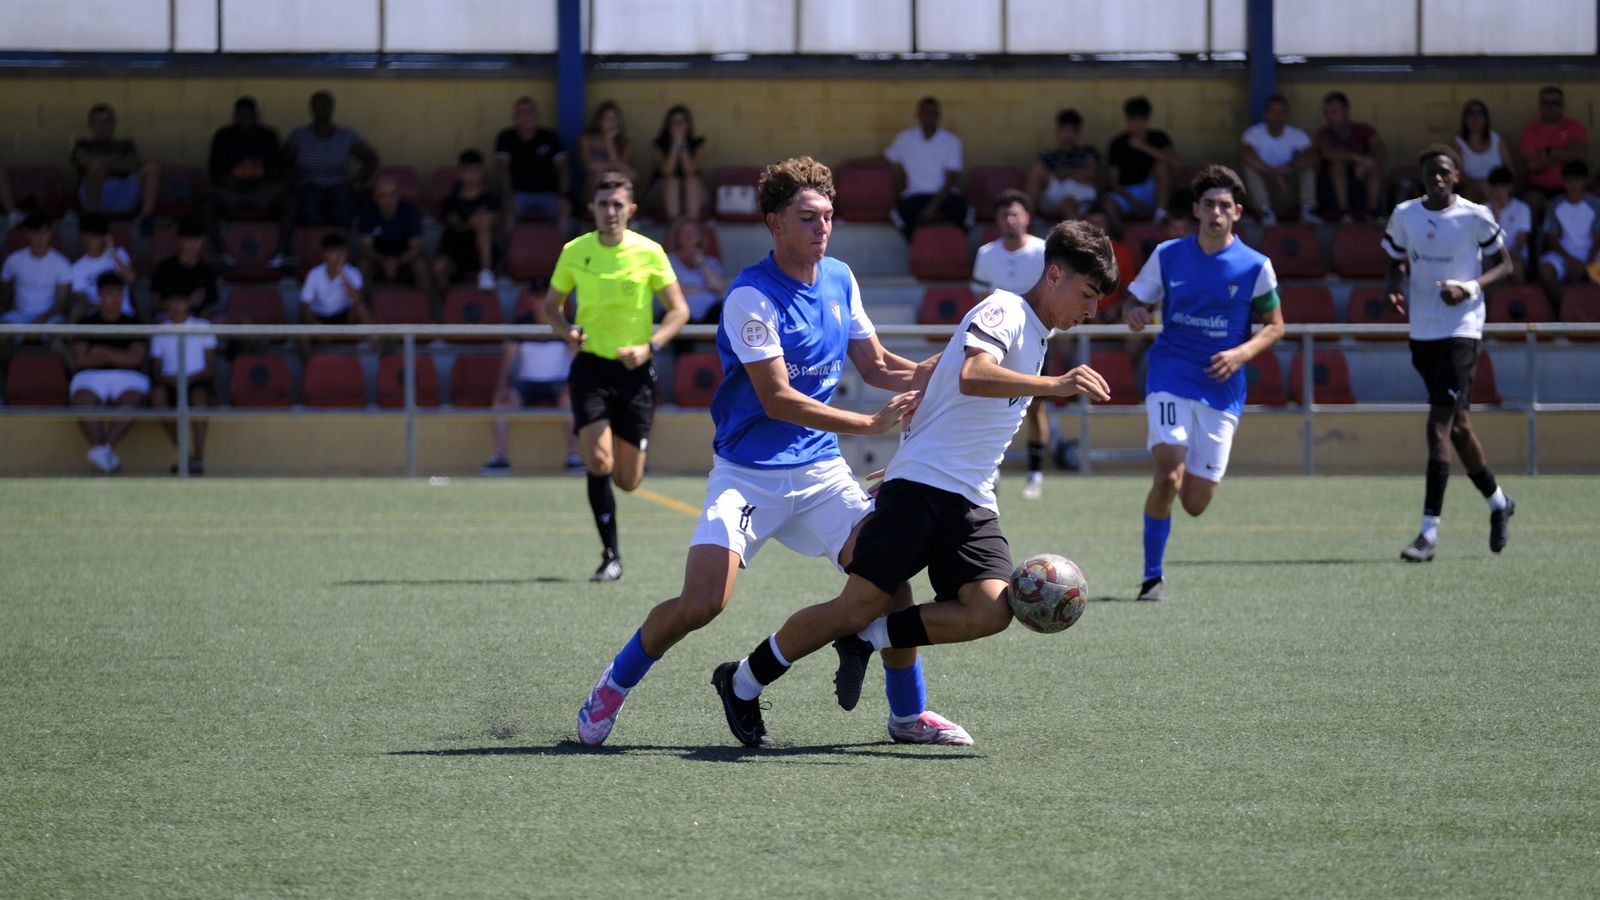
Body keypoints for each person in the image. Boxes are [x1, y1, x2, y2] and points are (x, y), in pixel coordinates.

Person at [578, 156, 965, 748]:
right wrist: (868, 422)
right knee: (702, 603)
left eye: (828, 216)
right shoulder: (749, 296)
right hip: (747, 476)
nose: (822, 227)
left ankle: (908, 715)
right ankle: (614, 684)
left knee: (889, 582)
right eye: (807, 217)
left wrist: (945, 369)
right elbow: (778, 399)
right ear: (774, 223)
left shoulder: (840, 278)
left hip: (821, 473)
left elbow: (879, 365)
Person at [709, 220, 1117, 748]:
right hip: (923, 489)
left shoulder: (1038, 333)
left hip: (970, 498)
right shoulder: (1005, 310)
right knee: (853, 606)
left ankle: (869, 639)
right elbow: (972, 374)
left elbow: (947, 391)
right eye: (1087, 294)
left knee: (992, 609)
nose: (1091, 311)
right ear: (1055, 275)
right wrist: (1055, 385)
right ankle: (742, 680)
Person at [1122, 165, 1286, 602]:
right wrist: (1134, 311)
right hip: (1170, 371)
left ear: (1238, 212)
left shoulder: (1255, 266)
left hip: (1221, 386)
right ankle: (1152, 577)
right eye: (1209, 204)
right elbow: (1134, 301)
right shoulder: (1168, 255)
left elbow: (1275, 325)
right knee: (1167, 477)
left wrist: (1241, 354)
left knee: (1195, 503)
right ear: (1195, 210)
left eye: (1225, 206)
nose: (1216, 212)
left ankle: (1182, 504)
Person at [542, 171, 689, 581]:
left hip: (635, 373)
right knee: (598, 459)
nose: (610, 211)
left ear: (631, 209)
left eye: (618, 204)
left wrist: (650, 345)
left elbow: (679, 311)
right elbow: (551, 306)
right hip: (591, 368)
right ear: (592, 208)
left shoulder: (650, 252)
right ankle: (610, 556)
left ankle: (623, 485)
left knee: (628, 480)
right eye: (604, 204)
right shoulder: (575, 251)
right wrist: (567, 332)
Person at [1382, 144, 1516, 562]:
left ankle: (1428, 534)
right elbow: (1395, 260)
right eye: (1430, 172)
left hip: (1463, 329)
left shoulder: (1475, 215)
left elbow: (1506, 264)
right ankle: (1499, 502)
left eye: (1445, 171)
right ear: (1422, 177)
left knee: (1437, 426)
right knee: (1458, 427)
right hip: (1423, 330)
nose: (1437, 178)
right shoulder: (1405, 215)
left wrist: (1469, 288)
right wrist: (1394, 287)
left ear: (1457, 175)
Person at [972, 190, 1049, 500]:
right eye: (1004, 215)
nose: (1010, 220)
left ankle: (1035, 474)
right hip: (998, 343)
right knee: (989, 404)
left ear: (1027, 217)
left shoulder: (1043, 251)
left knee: (1035, 407)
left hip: (1037, 342)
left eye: (1015, 214)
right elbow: (981, 298)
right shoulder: (986, 253)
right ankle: (991, 469)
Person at [278, 91, 379, 266]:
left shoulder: (346, 135)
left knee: (343, 210)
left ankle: (342, 256)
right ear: (311, 109)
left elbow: (371, 159)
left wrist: (357, 181)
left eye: (325, 105)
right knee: (310, 214)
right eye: (317, 105)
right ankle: (304, 255)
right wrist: (293, 180)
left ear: (332, 108)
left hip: (338, 185)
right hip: (309, 185)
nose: (321, 109)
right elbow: (282, 161)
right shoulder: (299, 135)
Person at [479, 313, 581, 477]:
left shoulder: (568, 324)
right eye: (539, 299)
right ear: (532, 300)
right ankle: (499, 458)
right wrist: (502, 385)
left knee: (570, 401)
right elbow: (508, 359)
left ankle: (574, 457)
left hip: (560, 384)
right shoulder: (521, 324)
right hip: (526, 384)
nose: (543, 303)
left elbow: (577, 358)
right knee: (501, 404)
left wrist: (572, 384)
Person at [70, 272, 148, 474]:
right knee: (83, 401)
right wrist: (120, 355)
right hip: (90, 375)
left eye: (118, 293)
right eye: (109, 293)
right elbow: (81, 360)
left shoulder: (134, 323)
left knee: (131, 401)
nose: (115, 298)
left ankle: (103, 451)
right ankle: (105, 455)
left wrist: (102, 352)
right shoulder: (86, 322)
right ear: (99, 295)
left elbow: (135, 359)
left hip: (129, 377)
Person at [148, 290, 218, 475]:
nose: (176, 306)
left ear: (189, 303)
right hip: (169, 381)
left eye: (180, 301)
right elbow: (156, 368)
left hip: (197, 379)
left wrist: (190, 378)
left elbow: (211, 366)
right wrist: (169, 379)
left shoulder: (203, 326)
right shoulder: (160, 329)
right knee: (157, 397)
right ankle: (185, 456)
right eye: (172, 302)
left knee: (199, 399)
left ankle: (199, 459)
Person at [206, 96, 285, 257]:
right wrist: (233, 178)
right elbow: (214, 170)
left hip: (261, 192)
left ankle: (282, 252)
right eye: (241, 116)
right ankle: (220, 253)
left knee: (291, 200)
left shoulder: (268, 135)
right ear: (234, 116)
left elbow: (278, 170)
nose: (245, 120)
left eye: (249, 115)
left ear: (257, 115)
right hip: (231, 192)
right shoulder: (223, 135)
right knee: (206, 203)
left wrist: (258, 176)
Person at [884, 96, 968, 240]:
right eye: (925, 112)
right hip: (915, 195)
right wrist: (853, 162)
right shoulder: (905, 138)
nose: (929, 116)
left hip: (945, 196)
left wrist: (932, 207)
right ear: (918, 115)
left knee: (964, 213)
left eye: (933, 113)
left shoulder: (951, 141)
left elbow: (951, 179)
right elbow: (885, 159)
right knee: (899, 215)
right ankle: (918, 248)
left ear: (938, 115)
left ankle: (955, 248)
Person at [70, 103, 161, 227]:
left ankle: (146, 220)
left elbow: (131, 164)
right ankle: (93, 219)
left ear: (113, 123)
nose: (102, 126)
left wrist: (102, 161)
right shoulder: (82, 144)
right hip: (93, 196)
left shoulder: (125, 144)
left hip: (122, 191)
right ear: (91, 125)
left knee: (153, 165)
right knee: (95, 165)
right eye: (97, 122)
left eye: (106, 121)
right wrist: (113, 161)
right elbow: (82, 160)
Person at [494, 96, 572, 233]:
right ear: (515, 117)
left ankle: (564, 247)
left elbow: (563, 167)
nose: (526, 116)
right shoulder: (506, 137)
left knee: (564, 207)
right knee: (508, 210)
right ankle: (507, 247)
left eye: (530, 111)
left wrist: (562, 195)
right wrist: (507, 194)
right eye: (521, 112)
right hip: (518, 194)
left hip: (549, 194)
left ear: (537, 115)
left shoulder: (550, 137)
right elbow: (502, 169)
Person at [1240, 94, 1317, 224]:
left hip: (1288, 189)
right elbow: (1246, 155)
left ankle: (1308, 211)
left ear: (1287, 115)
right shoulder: (1253, 133)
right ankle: (1265, 212)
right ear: (1265, 114)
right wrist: (1274, 174)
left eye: (1282, 112)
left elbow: (1313, 157)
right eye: (1273, 112)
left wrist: (1289, 168)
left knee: (1308, 168)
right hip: (1266, 189)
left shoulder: (1297, 135)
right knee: (1249, 168)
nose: (1277, 116)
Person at [432, 150, 501, 291]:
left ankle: (486, 272)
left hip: (483, 252)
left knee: (483, 222)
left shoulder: (491, 199)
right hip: (455, 249)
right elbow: (455, 225)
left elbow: (496, 222)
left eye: (476, 170)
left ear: (482, 172)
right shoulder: (450, 201)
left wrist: (480, 222)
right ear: (459, 172)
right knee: (439, 268)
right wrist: (470, 223)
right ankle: (448, 302)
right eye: (467, 171)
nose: (471, 176)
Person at [1536, 161, 1600, 309]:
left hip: (1592, 254)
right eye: (1569, 181)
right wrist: (1570, 261)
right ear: (1563, 182)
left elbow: (1598, 238)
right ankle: (1560, 309)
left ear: (1585, 181)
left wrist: (1587, 264)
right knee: (1546, 270)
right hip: (1564, 253)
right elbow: (1552, 239)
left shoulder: (1596, 204)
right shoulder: (1554, 204)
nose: (1573, 185)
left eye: (1578, 181)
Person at [1105, 96, 1178, 226]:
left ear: (1147, 119)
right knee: (1108, 204)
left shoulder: (1159, 137)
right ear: (1127, 120)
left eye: (1141, 120)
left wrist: (1143, 146)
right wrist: (1131, 199)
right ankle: (1117, 236)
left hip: (1153, 192)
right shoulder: (1117, 143)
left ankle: (1160, 217)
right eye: (1133, 120)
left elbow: (1174, 162)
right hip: (1127, 192)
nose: (1137, 124)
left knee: (1162, 165)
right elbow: (1112, 181)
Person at [1314, 91, 1386, 221]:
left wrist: (1368, 161)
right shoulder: (1324, 133)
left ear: (1346, 110)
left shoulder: (1363, 129)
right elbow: (1328, 153)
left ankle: (1373, 211)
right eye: (1327, 112)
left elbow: (1380, 148)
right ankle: (1344, 212)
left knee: (1374, 168)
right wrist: (1356, 158)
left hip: (1362, 175)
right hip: (1333, 182)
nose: (1330, 115)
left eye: (1334, 111)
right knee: (1338, 165)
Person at [355, 175, 430, 298]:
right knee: (363, 266)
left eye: (393, 194)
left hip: (404, 257)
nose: (389, 199)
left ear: (398, 195)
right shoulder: (368, 211)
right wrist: (383, 261)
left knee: (420, 266)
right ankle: (364, 305)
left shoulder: (409, 210)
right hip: (378, 257)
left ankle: (426, 305)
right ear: (375, 197)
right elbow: (366, 247)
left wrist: (397, 261)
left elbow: (416, 246)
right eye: (383, 195)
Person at [1519, 86, 1590, 213]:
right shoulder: (1530, 130)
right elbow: (1532, 165)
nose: (1551, 107)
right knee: (1531, 201)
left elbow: (1580, 156)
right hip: (1538, 187)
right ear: (1540, 107)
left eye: (1555, 103)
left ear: (1562, 106)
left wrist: (1549, 153)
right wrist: (1566, 151)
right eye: (1546, 103)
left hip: (1569, 186)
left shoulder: (1575, 127)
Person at [663, 216, 728, 347]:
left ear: (700, 237)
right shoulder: (668, 261)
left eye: (693, 232)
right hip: (682, 315)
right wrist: (704, 288)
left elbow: (721, 288)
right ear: (677, 237)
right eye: (685, 232)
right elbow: (672, 290)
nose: (689, 236)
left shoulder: (710, 262)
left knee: (725, 310)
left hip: (710, 315)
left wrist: (701, 263)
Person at [1026, 108, 1101, 222]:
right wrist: (1072, 173)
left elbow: (1091, 174)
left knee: (1068, 203)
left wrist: (1066, 173)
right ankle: (1027, 221)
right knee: (1035, 169)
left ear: (1077, 133)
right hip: (1057, 191)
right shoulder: (1048, 155)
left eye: (1070, 131)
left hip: (1081, 191)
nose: (1066, 135)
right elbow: (1040, 176)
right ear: (1057, 131)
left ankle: (1077, 233)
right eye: (1063, 130)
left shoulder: (1087, 152)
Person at [1, 212, 71, 327]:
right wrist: (9, 304)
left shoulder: (62, 263)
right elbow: (4, 289)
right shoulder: (13, 259)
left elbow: (61, 302)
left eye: (44, 233)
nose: (40, 238)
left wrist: (42, 318)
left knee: (60, 331)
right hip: (19, 314)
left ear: (50, 234)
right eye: (35, 233)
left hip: (50, 317)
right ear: (27, 234)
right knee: (3, 329)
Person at [150, 220, 221, 318]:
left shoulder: (207, 271)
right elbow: (156, 304)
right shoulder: (164, 268)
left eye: (197, 239)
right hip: (170, 318)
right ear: (179, 240)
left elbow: (211, 305)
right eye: (189, 239)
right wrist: (185, 303)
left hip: (198, 320)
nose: (193, 244)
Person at [650, 105, 709, 221]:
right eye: (674, 122)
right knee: (672, 181)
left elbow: (689, 170)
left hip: (695, 193)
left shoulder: (699, 144)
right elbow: (667, 171)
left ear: (688, 124)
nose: (678, 125)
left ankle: (691, 224)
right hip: (663, 192)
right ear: (668, 125)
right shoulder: (657, 144)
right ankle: (675, 225)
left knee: (691, 180)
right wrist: (675, 145)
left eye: (681, 121)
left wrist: (682, 144)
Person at [1452, 99, 1515, 203]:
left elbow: (1510, 170)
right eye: (1470, 113)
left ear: (1486, 118)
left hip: (1498, 187)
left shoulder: (1498, 140)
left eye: (1479, 113)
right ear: (1464, 118)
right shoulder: (1458, 143)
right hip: (1470, 189)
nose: (1475, 117)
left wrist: (1497, 186)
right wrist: (1479, 184)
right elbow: (1457, 175)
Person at [300, 232, 368, 327]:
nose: (338, 256)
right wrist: (319, 327)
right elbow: (304, 305)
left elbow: (357, 299)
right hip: (320, 315)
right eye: (334, 252)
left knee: (360, 308)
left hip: (343, 314)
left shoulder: (353, 272)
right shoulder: (314, 274)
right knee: (303, 319)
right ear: (325, 254)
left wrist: (341, 272)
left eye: (341, 252)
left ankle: (373, 336)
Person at [578, 101, 636, 198]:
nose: (612, 122)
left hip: (617, 180)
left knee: (627, 177)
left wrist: (609, 143)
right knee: (598, 177)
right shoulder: (587, 139)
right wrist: (612, 165)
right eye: (608, 119)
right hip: (592, 182)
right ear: (598, 121)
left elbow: (621, 170)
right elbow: (589, 166)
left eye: (615, 118)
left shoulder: (626, 143)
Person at [1485, 167, 1532, 282]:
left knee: (1516, 267)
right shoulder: (1483, 209)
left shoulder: (1522, 208)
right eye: (1495, 188)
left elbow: (1520, 241)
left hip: (1515, 254)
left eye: (1502, 187)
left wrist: (1506, 261)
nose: (1498, 192)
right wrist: (1496, 217)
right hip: (1490, 256)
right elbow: (1485, 241)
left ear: (1510, 187)